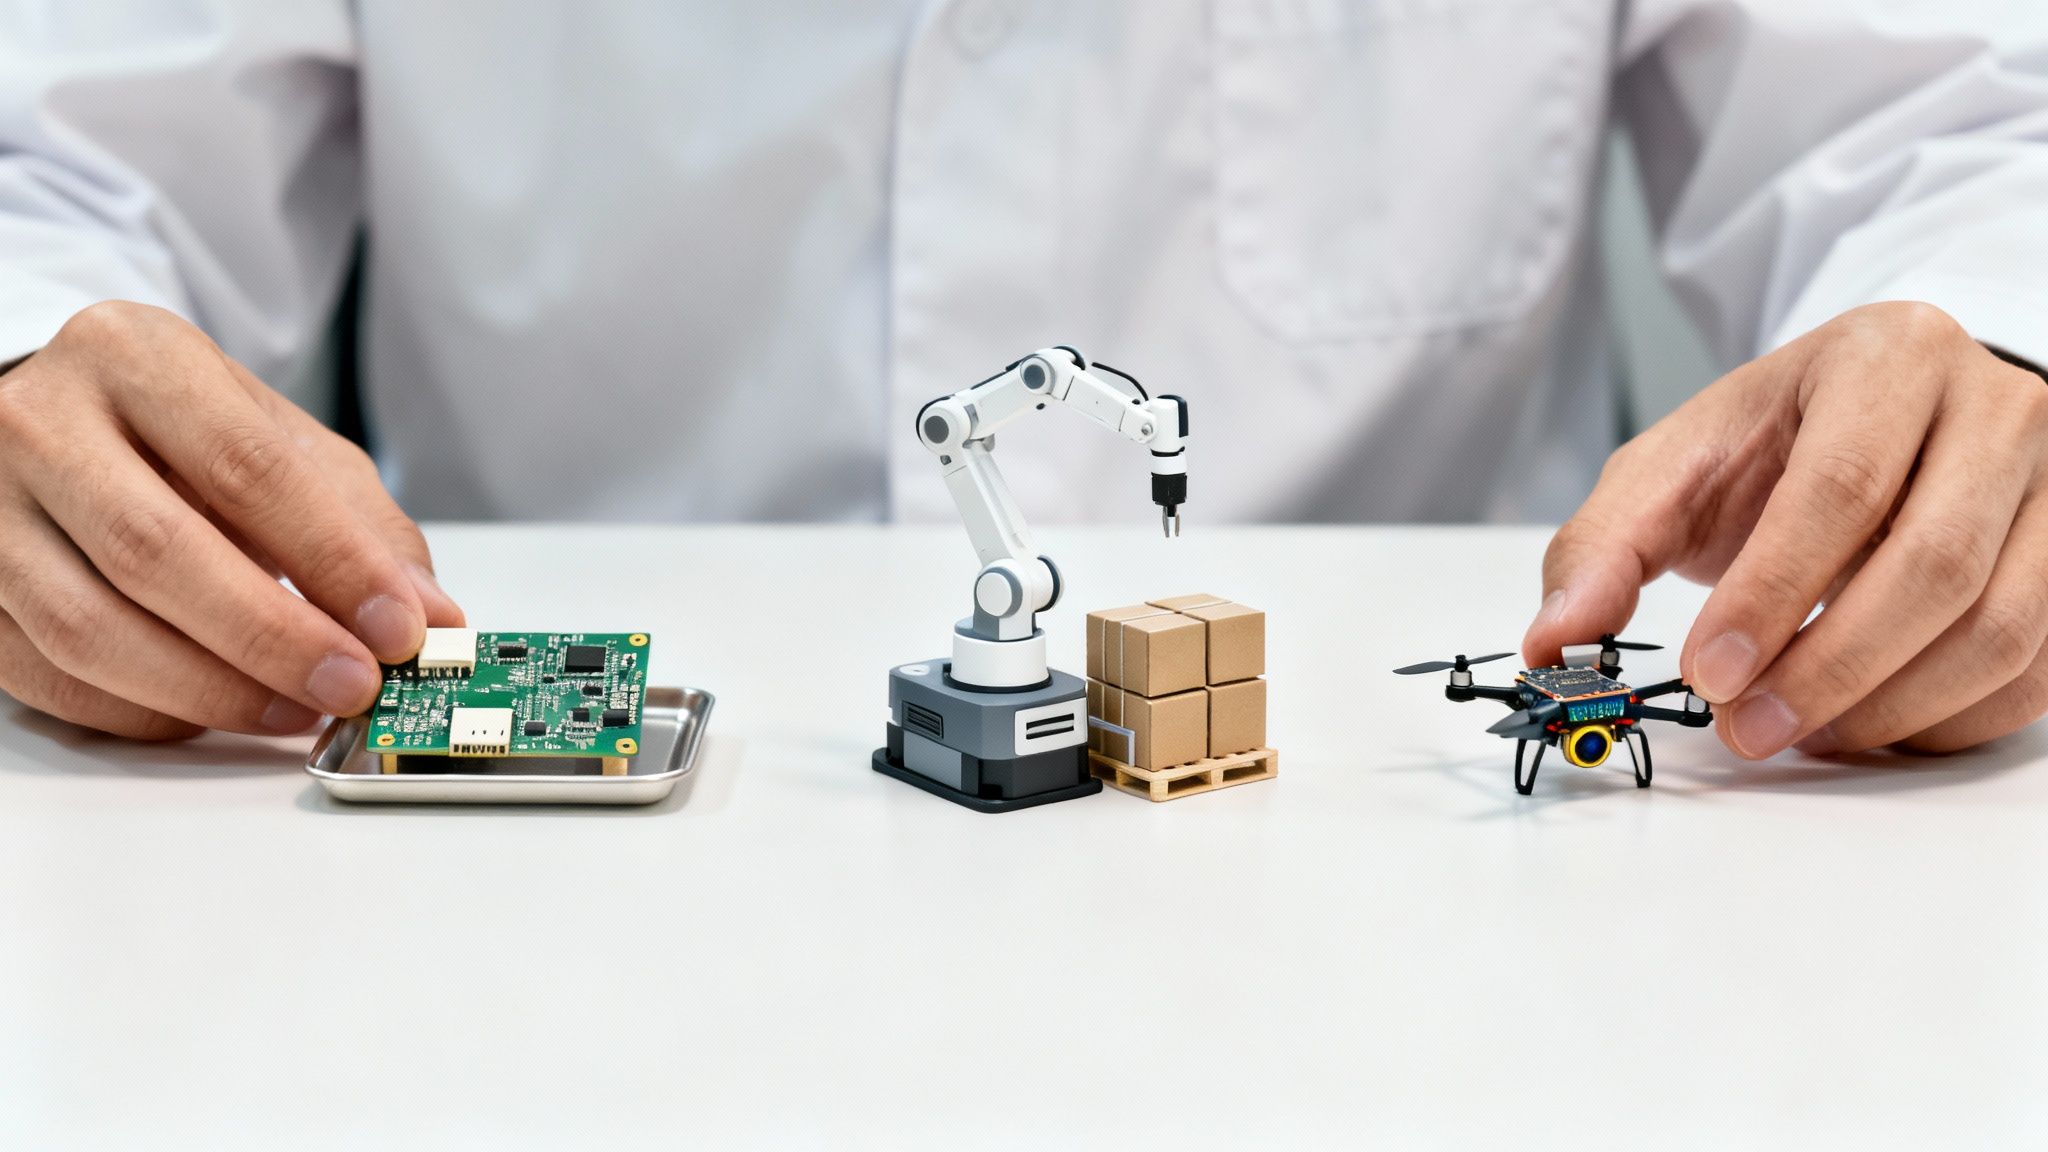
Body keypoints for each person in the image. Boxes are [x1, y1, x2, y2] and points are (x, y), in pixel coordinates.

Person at [1, 3, 2044, 761]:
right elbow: (55, 167)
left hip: (1419, 930)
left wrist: (1984, 352)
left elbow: (1965, 137)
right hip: (552, 914)